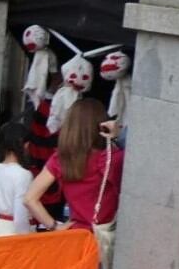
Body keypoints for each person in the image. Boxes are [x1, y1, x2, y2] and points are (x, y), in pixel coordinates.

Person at [23, 102, 121, 241]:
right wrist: (118, 135)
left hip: (74, 237)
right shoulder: (111, 158)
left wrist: (55, 226)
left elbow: (29, 199)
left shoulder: (61, 158)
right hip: (103, 238)